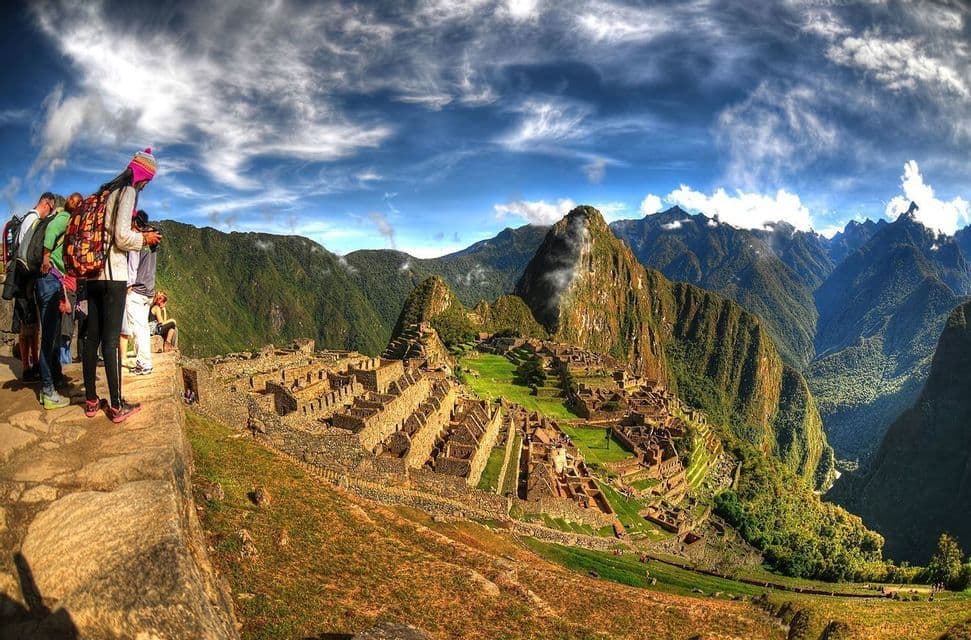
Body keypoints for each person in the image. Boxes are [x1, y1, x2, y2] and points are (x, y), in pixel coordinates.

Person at [82, 149, 162, 423]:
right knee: (112, 340)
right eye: (148, 180)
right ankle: (116, 405)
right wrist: (146, 239)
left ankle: (91, 400)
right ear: (143, 176)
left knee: (91, 337)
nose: (146, 185)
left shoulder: (105, 193)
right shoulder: (127, 192)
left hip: (91, 275)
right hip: (112, 274)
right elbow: (121, 237)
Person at [35, 192, 80, 408]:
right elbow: (52, 233)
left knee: (51, 336)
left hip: (53, 280)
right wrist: (45, 258)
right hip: (49, 280)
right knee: (47, 339)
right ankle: (47, 390)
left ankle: (55, 379)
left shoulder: (65, 219)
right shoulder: (64, 220)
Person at [11, 192, 56, 382]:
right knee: (27, 327)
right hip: (25, 281)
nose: (50, 212)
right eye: (51, 208)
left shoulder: (29, 219)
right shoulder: (32, 220)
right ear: (46, 203)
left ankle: (33, 364)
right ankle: (27, 368)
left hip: (26, 281)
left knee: (32, 327)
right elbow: (27, 251)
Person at [125, 210, 158, 375]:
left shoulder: (136, 240)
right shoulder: (153, 238)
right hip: (149, 291)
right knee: (142, 327)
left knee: (138, 329)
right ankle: (143, 362)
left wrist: (128, 285)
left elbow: (132, 263)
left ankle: (144, 364)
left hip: (137, 289)